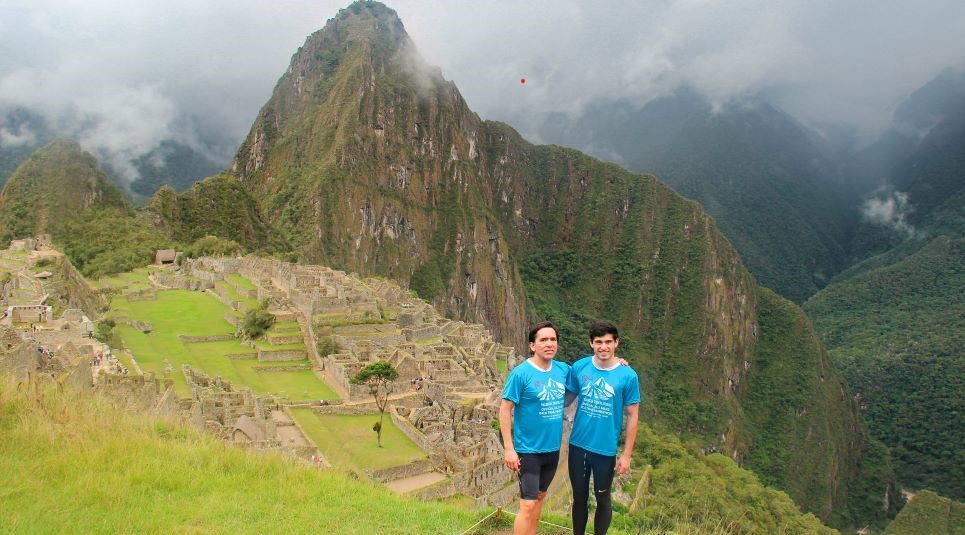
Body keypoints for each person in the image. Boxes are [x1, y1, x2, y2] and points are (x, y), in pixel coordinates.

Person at [566, 321, 641, 535]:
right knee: (579, 498)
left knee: (602, 498)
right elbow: (566, 398)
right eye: (598, 342)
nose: (603, 347)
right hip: (578, 445)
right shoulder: (580, 367)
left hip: (605, 449)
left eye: (608, 342)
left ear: (616, 343)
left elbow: (633, 414)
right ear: (591, 343)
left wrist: (626, 455)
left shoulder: (628, 376)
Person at [499, 321, 570, 535]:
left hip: (552, 449)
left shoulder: (563, 370)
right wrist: (509, 448)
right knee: (527, 504)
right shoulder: (521, 373)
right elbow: (505, 409)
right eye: (543, 340)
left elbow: (591, 371)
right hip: (528, 450)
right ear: (533, 345)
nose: (549, 344)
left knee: (539, 498)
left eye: (553, 339)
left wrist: (616, 361)